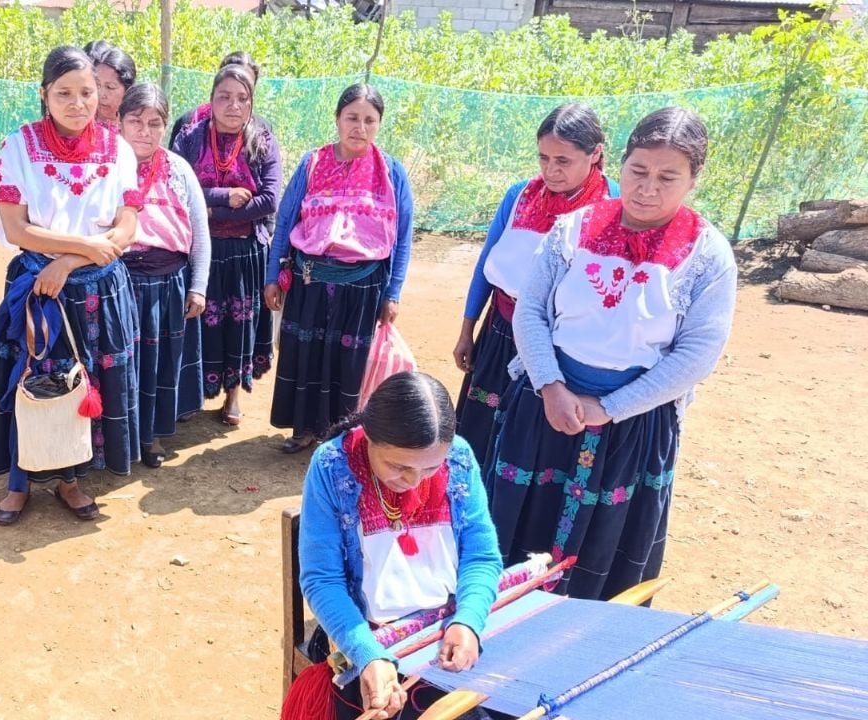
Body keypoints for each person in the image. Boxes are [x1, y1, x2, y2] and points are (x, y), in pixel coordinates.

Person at [486, 107, 738, 601]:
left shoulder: (708, 256)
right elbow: (532, 311)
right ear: (620, 165)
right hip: (544, 408)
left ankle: (586, 652)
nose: (647, 188)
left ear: (693, 180)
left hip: (634, 425)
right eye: (638, 171)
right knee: (518, 526)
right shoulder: (574, 230)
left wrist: (612, 408)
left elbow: (697, 355)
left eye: (668, 177)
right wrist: (552, 386)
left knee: (606, 542)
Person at [0, 45, 141, 525]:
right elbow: (17, 229)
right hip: (38, 288)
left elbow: (125, 228)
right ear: (44, 93)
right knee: (32, 382)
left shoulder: (118, 149)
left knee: (80, 385)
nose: (77, 103)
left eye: (87, 92)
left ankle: (70, 480)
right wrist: (83, 249)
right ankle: (20, 482)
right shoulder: (19, 146)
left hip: (96, 291)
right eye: (64, 92)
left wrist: (67, 262)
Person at [290, 371, 501, 719]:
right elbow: (322, 580)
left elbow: (481, 555)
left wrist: (469, 621)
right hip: (367, 637)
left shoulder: (459, 457)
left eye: (431, 467)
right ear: (370, 436)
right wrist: (367, 653)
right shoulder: (332, 467)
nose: (414, 480)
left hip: (448, 632)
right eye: (398, 466)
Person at [453, 104, 616, 467]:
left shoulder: (613, 208)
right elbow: (486, 265)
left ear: (596, 154)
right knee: (481, 427)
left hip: (560, 347)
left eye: (563, 160)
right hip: (502, 331)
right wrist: (467, 329)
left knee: (532, 438)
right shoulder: (520, 196)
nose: (550, 171)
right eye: (543, 158)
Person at [264, 83, 414, 453]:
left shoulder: (392, 173)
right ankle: (303, 430)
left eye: (369, 120)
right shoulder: (312, 163)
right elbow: (285, 221)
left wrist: (393, 292)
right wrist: (272, 275)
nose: (359, 127)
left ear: (379, 125)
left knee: (348, 363)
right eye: (351, 118)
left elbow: (404, 236)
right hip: (309, 279)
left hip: (363, 286)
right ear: (337, 119)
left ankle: (338, 437)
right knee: (305, 355)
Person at [170, 63, 281, 426]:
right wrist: (223, 197)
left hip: (245, 254)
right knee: (196, 323)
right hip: (198, 251)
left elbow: (269, 200)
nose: (233, 105)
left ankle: (232, 396)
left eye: (241, 98)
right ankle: (191, 394)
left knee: (238, 324)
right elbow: (176, 191)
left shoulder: (262, 140)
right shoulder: (190, 137)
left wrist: (211, 210)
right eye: (224, 97)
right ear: (211, 100)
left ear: (251, 102)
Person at [117, 83, 210, 468]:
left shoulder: (179, 169)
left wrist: (198, 287)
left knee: (158, 365)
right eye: (135, 121)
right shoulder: (106, 166)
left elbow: (200, 232)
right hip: (118, 283)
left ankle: (152, 437)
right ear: (120, 122)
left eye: (155, 123)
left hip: (168, 284)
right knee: (122, 365)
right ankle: (118, 440)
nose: (145, 130)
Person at [169, 51, 263, 143]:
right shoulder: (187, 124)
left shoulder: (262, 133)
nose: (234, 105)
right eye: (226, 96)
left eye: (246, 83)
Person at [84, 39, 137, 126]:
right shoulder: (81, 124)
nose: (101, 94)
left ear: (128, 90)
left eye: (110, 87)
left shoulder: (137, 125)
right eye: (97, 85)